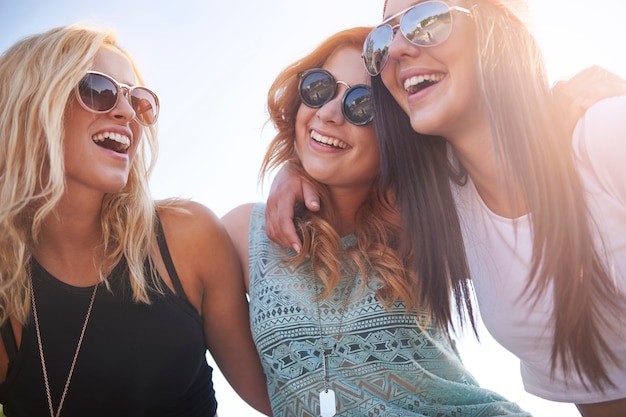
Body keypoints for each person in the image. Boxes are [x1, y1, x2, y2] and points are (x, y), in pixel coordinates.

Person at [265, 1, 626, 416]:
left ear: (499, 24)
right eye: (384, 38)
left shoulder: (604, 137)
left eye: (426, 20)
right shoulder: (445, 208)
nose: (398, 49)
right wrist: (297, 171)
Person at [222, 26, 531, 417]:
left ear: (396, 134)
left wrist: (572, 101)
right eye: (320, 88)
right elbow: (271, 390)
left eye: (362, 105)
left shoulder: (429, 222)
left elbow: (519, 163)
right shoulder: (241, 235)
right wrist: (291, 167)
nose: (330, 113)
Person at [0, 25, 271, 417]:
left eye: (139, 100)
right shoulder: (7, 283)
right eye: (98, 90)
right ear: (29, 105)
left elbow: (281, 394)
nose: (128, 113)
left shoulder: (186, 238)